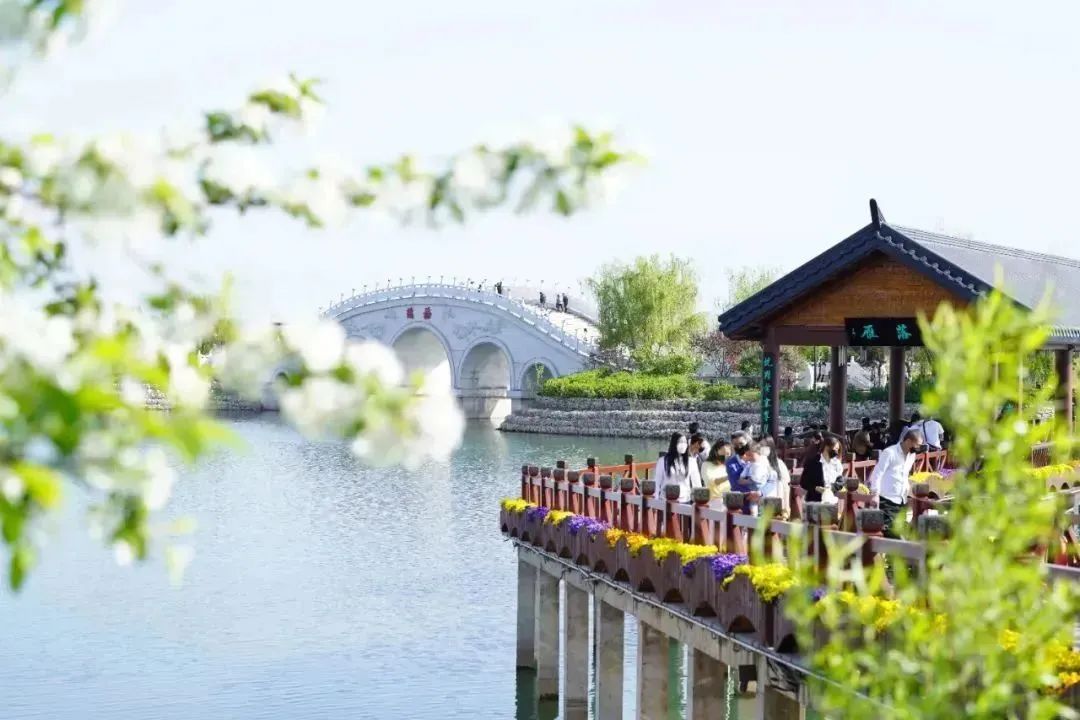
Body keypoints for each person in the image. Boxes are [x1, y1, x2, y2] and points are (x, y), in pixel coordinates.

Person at [868, 428, 925, 538]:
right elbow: (877, 473)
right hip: (887, 499)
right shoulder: (890, 452)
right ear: (908, 441)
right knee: (891, 533)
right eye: (917, 445)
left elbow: (905, 475)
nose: (919, 448)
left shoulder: (912, 455)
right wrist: (875, 494)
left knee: (900, 530)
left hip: (902, 499)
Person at [655, 432, 702, 504]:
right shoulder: (663, 461)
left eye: (685, 442)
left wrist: (698, 501)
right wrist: (655, 501)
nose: (683, 444)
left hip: (685, 501)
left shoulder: (691, 461)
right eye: (680, 442)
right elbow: (657, 482)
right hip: (666, 501)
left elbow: (697, 484)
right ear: (674, 443)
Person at [800, 435, 843, 503]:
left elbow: (840, 482)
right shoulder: (812, 462)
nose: (836, 452)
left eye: (838, 449)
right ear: (826, 447)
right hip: (814, 500)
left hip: (832, 499)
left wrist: (832, 488)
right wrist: (816, 488)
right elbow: (803, 482)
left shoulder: (837, 463)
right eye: (835, 449)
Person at [739, 442, 778, 516]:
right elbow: (742, 477)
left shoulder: (765, 462)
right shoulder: (749, 464)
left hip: (763, 493)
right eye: (747, 455)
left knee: (762, 510)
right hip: (751, 492)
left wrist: (761, 492)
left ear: (758, 453)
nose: (748, 457)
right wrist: (743, 480)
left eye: (750, 455)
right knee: (753, 510)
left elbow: (772, 480)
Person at [761, 436, 791, 518]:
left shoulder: (779, 464)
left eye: (764, 446)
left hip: (775, 507)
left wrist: (786, 509)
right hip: (759, 507)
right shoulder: (755, 463)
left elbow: (785, 487)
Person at [702, 442, 733, 508]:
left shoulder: (728, 465)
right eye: (724, 453)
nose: (726, 456)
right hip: (713, 501)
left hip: (728, 500)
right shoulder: (706, 465)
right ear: (716, 452)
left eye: (728, 454)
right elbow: (710, 482)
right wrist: (728, 477)